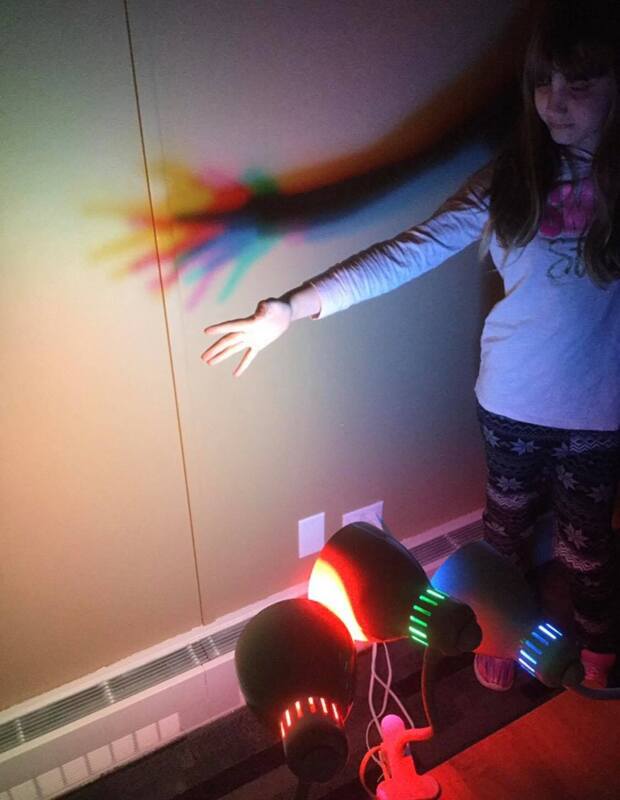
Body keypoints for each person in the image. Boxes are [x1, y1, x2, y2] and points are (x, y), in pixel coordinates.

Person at [202, 1, 620, 690]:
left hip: (600, 415)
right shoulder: (510, 178)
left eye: (580, 83)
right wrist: (291, 308)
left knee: (588, 546)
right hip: (512, 405)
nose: (555, 102)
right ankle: (502, 639)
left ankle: (603, 654)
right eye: (544, 80)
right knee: (506, 538)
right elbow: (411, 250)